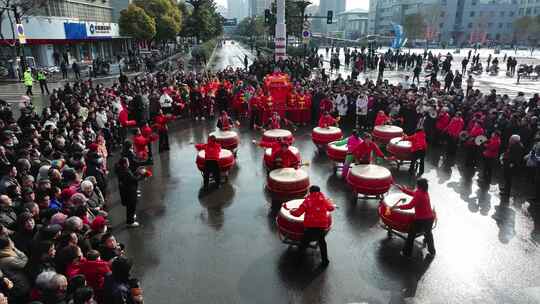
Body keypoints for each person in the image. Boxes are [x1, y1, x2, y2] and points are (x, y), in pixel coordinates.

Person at [289, 185, 335, 267]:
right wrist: (330, 203)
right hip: (321, 226)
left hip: (310, 226)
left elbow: (298, 213)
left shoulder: (307, 201)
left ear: (310, 192)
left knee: (303, 243)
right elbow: (331, 208)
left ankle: (297, 261)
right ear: (319, 191)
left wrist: (291, 211)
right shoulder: (324, 200)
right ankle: (325, 261)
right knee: (322, 243)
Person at [393, 178, 436, 258]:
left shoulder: (419, 194)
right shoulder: (424, 191)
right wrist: (404, 190)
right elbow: (414, 193)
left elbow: (410, 206)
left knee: (411, 235)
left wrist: (398, 207)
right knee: (428, 234)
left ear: (419, 186)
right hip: (430, 218)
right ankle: (432, 252)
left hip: (421, 219)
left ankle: (406, 253)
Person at [115, 157, 146, 228]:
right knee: (131, 206)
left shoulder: (122, 170)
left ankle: (131, 217)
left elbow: (131, 177)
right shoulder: (125, 172)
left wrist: (136, 173)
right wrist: (142, 176)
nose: (128, 163)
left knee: (130, 207)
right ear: (125, 164)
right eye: (127, 162)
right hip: (129, 192)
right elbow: (133, 179)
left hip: (126, 192)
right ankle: (130, 222)